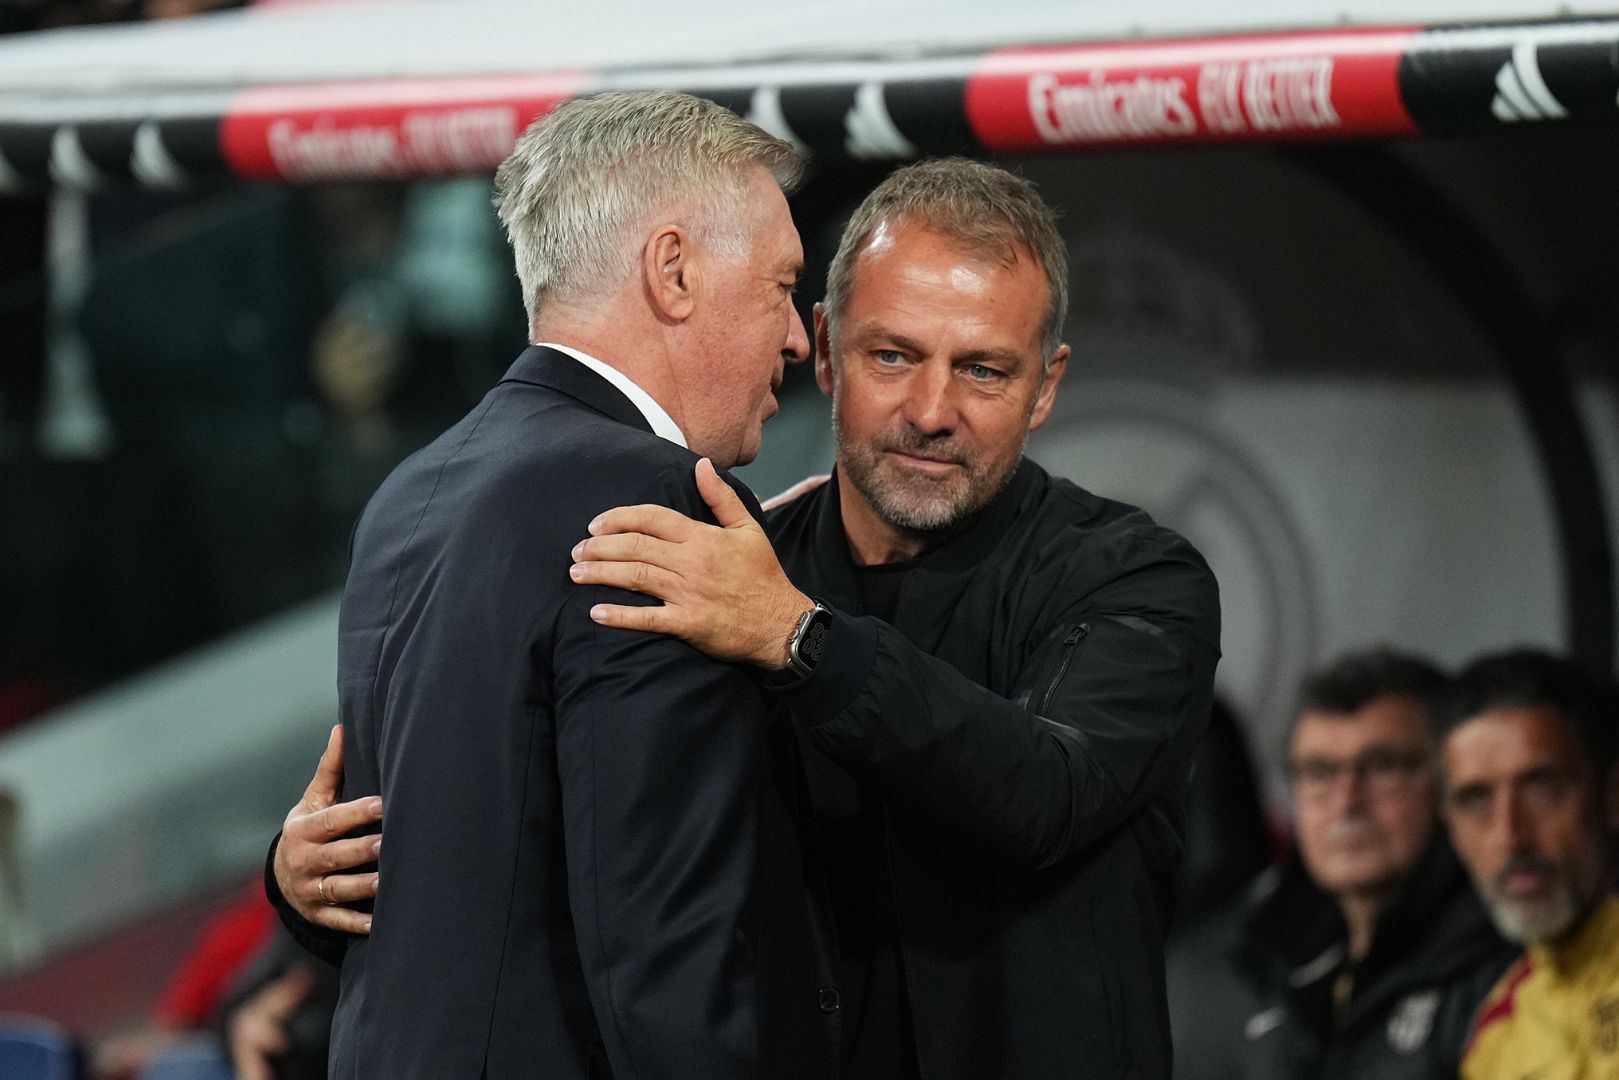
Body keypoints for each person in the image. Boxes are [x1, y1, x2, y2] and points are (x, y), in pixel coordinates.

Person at [279, 157, 1222, 1078]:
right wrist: (303, 887)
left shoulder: (1137, 580)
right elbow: (564, 847)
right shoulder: (715, 562)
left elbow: (1045, 795)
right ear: (821, 344)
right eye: (892, 356)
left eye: (982, 370)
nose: (932, 410)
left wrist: (798, 640)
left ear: (1046, 386)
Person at [274, 91, 840, 1080]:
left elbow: (425, 875)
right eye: (780, 286)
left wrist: (289, 883)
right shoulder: (661, 502)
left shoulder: (413, 489)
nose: (796, 337)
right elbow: (665, 946)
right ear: (673, 272)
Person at [1167, 648, 1514, 1080]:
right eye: (1320, 772)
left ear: (1453, 783)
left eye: (1384, 767)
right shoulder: (1241, 961)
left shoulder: (1512, 961)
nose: (1347, 802)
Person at [1440, 648, 1619, 1080]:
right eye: (1476, 801)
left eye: (1542, 788)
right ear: (1451, 829)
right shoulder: (1494, 1038)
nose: (1509, 836)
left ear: (1612, 795)